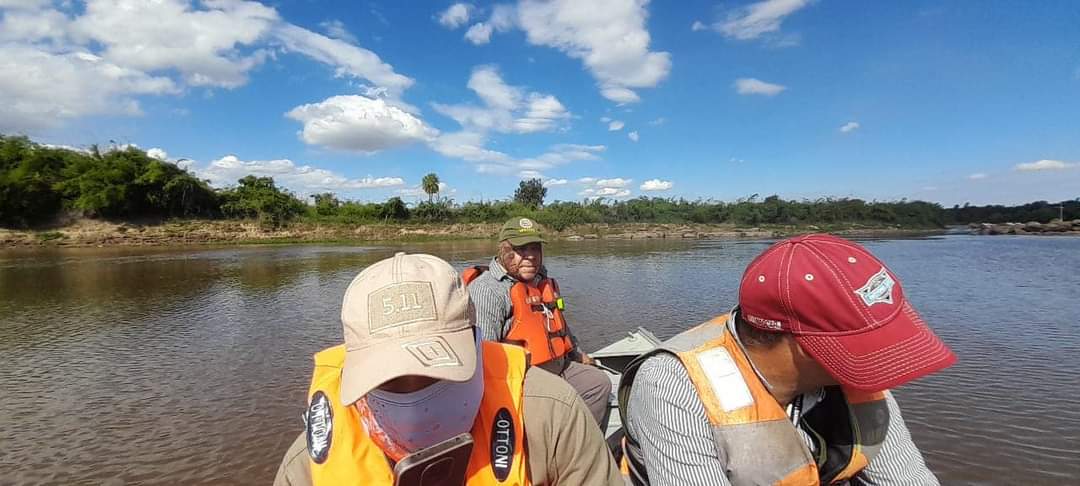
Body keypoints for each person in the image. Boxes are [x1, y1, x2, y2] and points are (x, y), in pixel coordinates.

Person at [618, 234, 957, 486]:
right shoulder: (672, 383)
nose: (886, 366)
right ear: (805, 346)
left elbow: (907, 477)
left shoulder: (859, 376)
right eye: (868, 348)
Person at [273, 252, 622, 486]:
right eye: (387, 379)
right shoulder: (306, 468)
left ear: (476, 346)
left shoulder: (551, 416)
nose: (414, 402)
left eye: (437, 370)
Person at [463, 217, 612, 428]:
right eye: (521, 249)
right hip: (521, 380)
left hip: (558, 366)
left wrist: (579, 353)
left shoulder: (542, 281)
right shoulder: (488, 291)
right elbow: (483, 360)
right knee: (563, 397)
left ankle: (574, 445)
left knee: (598, 383)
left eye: (535, 248)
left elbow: (560, 327)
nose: (531, 256)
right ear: (503, 250)